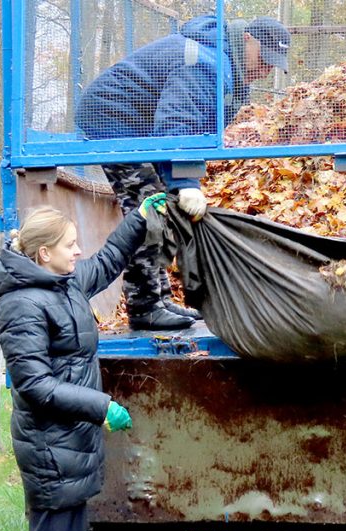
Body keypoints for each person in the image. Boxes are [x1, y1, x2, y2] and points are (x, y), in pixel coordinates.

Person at [0, 194, 167, 531]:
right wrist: (100, 406)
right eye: (69, 244)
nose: (78, 251)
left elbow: (107, 262)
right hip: (50, 443)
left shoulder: (62, 286)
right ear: (43, 253)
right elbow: (34, 385)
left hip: (68, 442)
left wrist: (139, 220)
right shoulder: (22, 305)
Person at [75, 16, 291, 330]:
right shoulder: (205, 64)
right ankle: (145, 307)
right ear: (247, 40)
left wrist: (185, 180)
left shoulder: (226, 68)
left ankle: (158, 299)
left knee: (161, 208)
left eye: (274, 64)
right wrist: (185, 183)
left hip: (145, 130)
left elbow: (195, 128)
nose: (266, 69)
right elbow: (176, 125)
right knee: (148, 210)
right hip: (114, 120)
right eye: (264, 59)